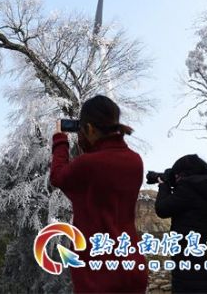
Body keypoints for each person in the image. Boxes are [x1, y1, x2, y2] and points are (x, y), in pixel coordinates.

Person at [50, 95, 148, 293]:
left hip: (98, 276)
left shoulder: (88, 165)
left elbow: (58, 176)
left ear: (90, 129)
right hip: (132, 267)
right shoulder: (135, 161)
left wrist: (60, 140)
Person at [155, 154, 207, 293]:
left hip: (189, 262)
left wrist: (163, 186)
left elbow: (162, 209)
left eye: (176, 175)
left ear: (181, 174)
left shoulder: (188, 188)